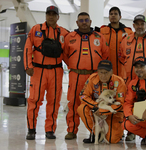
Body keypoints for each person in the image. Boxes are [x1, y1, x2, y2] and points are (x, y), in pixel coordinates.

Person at [24, 6, 69, 140]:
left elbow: (68, 52)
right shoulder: (35, 30)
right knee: (34, 100)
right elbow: (27, 48)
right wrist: (28, 65)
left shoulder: (64, 33)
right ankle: (31, 129)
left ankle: (50, 129)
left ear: (58, 17)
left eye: (53, 14)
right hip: (38, 70)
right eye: (48, 14)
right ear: (45, 16)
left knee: (54, 102)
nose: (51, 16)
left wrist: (75, 68)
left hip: (56, 71)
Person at [63, 12, 110, 140]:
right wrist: (75, 66)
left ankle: (95, 131)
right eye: (81, 20)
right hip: (76, 75)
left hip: (94, 76)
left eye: (86, 20)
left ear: (90, 22)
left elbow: (105, 55)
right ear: (77, 23)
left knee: (96, 104)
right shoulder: (70, 37)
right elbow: (65, 55)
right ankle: (72, 130)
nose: (84, 22)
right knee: (73, 103)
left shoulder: (99, 37)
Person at [77, 60, 126, 143]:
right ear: (97, 72)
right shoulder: (92, 79)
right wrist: (96, 106)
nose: (103, 75)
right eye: (101, 72)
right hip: (96, 112)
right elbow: (83, 96)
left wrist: (102, 111)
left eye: (106, 72)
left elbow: (120, 104)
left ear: (111, 72)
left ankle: (116, 132)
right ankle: (96, 133)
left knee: (113, 140)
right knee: (82, 108)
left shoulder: (119, 82)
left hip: (113, 113)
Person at [99, 7, 133, 76]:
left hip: (123, 69)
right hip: (107, 68)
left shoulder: (129, 32)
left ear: (120, 17)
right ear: (109, 17)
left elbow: (139, 38)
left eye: (115, 14)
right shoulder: (102, 31)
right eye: (111, 14)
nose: (113, 15)